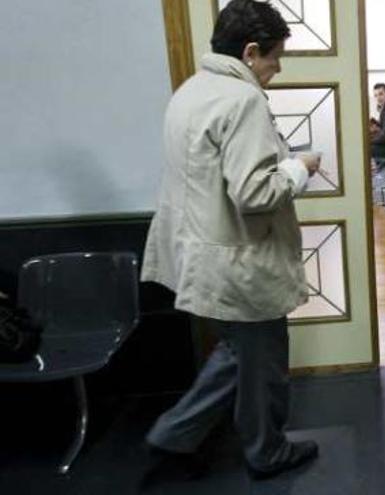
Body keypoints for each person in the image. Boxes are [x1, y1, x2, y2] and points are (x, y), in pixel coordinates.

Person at [140, 0, 322, 482]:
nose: (277, 69)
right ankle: (264, 451)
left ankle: (174, 435)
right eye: (274, 57)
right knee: (263, 368)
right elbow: (254, 193)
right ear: (249, 51)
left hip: (203, 254)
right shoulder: (242, 101)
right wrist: (297, 168)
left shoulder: (191, 90)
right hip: (241, 261)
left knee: (237, 356)